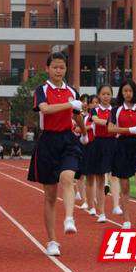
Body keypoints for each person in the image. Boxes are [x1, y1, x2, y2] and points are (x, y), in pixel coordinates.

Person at [27, 52, 84, 257]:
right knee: (50, 195)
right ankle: (52, 240)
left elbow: (77, 116)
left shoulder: (72, 91)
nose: (59, 71)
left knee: (67, 177)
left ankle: (69, 218)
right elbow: (46, 109)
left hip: (68, 140)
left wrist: (84, 132)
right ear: (48, 69)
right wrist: (70, 104)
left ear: (66, 69)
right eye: (55, 67)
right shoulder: (41, 90)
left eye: (62, 67)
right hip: (48, 142)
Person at [108, 79, 136, 229]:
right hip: (122, 146)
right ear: (121, 93)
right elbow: (111, 129)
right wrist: (129, 130)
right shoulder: (116, 110)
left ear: (134, 93)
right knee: (125, 185)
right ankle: (126, 219)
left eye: (130, 91)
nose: (127, 93)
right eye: (125, 91)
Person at [89, 85, 121, 223]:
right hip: (99, 144)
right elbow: (96, 121)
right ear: (99, 95)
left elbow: (118, 126)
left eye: (108, 94)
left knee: (115, 176)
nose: (106, 96)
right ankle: (101, 212)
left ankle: (116, 205)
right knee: (100, 178)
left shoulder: (115, 111)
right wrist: (109, 122)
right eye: (103, 94)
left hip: (113, 143)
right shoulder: (94, 110)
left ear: (111, 95)